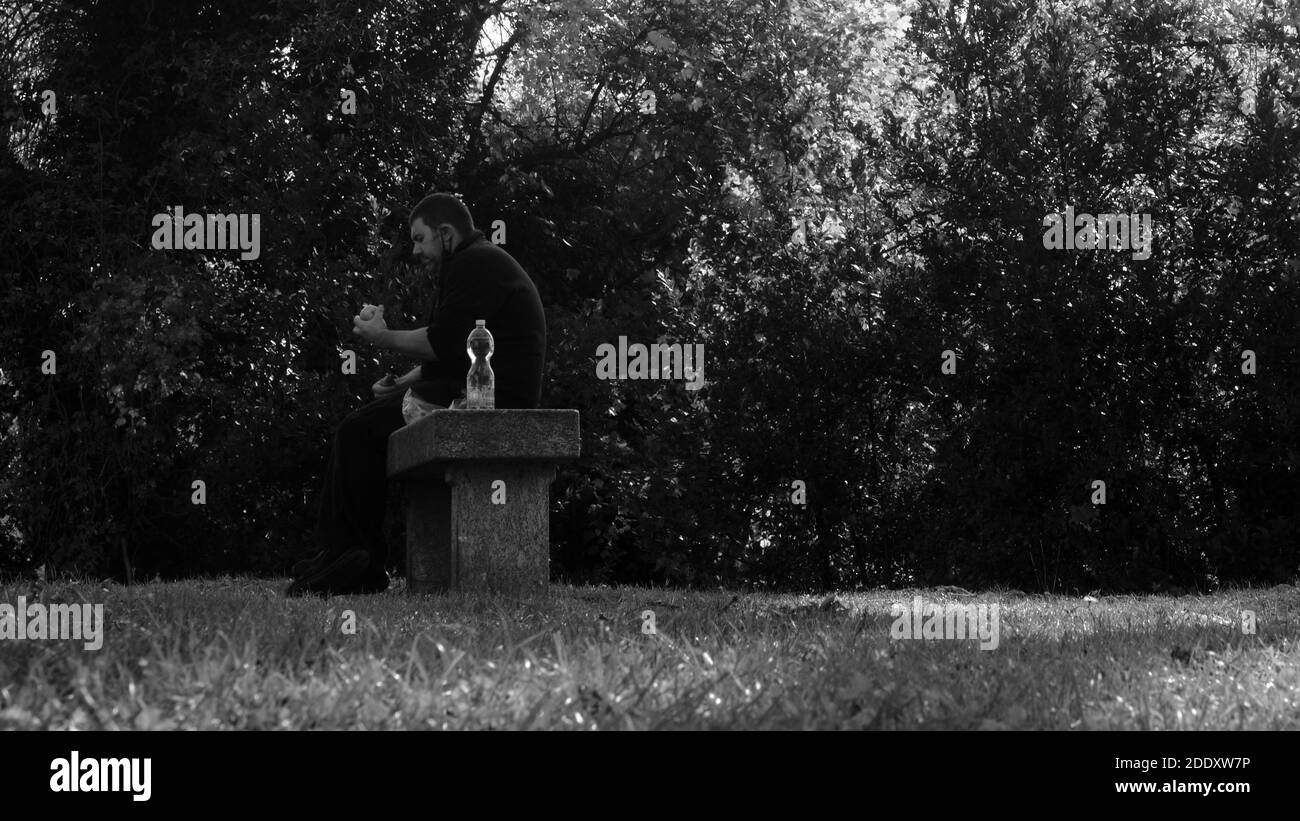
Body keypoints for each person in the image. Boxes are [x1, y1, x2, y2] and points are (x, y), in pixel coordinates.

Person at [285, 193, 547, 597]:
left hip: (488, 399)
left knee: (358, 432)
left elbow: (440, 343)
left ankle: (356, 561)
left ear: (445, 233)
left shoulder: (476, 264)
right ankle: (341, 555)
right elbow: (450, 355)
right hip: (470, 389)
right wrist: (400, 383)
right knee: (360, 426)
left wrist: (381, 336)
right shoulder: (470, 263)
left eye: (420, 238)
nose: (415, 250)